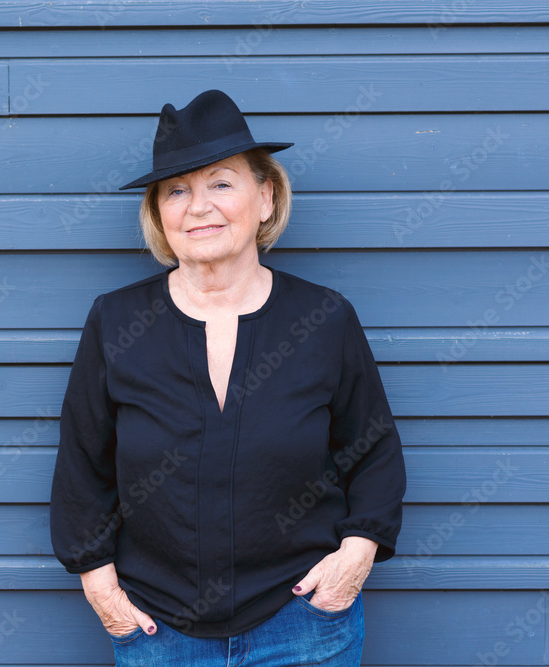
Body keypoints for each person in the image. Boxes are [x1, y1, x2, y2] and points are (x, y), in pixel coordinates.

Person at [49, 89, 406, 665]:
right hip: (157, 629)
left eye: (221, 183)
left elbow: (373, 451)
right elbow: (81, 466)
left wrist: (354, 559)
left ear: (265, 197)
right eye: (177, 191)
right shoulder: (116, 321)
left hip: (304, 623)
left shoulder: (324, 318)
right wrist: (101, 587)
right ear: (158, 213)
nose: (199, 207)